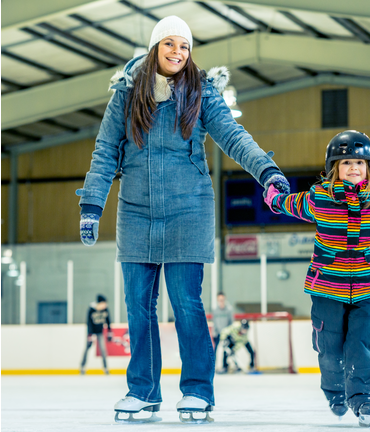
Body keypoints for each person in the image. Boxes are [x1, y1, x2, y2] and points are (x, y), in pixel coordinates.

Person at [75, 15, 290, 424]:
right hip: (136, 211)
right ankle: (143, 391)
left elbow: (233, 136)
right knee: (138, 307)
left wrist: (266, 172)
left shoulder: (202, 92)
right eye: (169, 44)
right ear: (156, 47)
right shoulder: (126, 94)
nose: (177, 52)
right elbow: (105, 150)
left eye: (185, 46)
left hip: (188, 209)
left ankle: (197, 391)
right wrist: (91, 205)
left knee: (187, 304)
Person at [265, 130, 370, 427]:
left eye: (360, 162)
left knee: (363, 342)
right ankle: (334, 390)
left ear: (369, 167)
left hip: (368, 287)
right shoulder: (318, 198)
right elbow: (287, 203)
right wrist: (272, 195)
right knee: (329, 347)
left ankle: (366, 397)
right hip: (326, 288)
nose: (354, 167)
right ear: (335, 168)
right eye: (346, 163)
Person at [80, 294, 112, 375]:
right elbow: (89, 323)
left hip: (99, 332)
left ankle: (105, 368)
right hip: (91, 332)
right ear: (99, 303)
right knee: (87, 348)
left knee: (103, 349)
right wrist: (90, 335)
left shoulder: (105, 310)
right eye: (104, 303)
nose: (105, 305)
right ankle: (82, 367)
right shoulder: (91, 310)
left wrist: (109, 331)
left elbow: (108, 321)